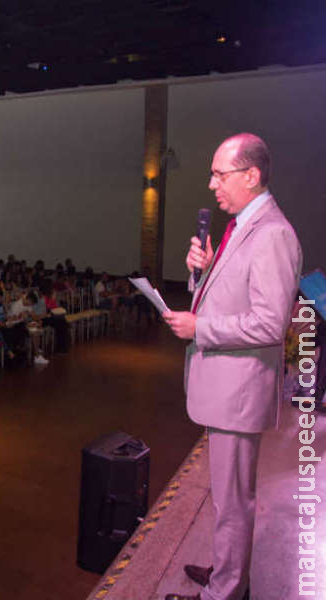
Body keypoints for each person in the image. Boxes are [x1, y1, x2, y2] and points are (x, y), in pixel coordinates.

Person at [162, 134, 301, 600]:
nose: (211, 184)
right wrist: (199, 271)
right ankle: (227, 573)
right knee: (224, 497)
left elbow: (268, 323)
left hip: (239, 392)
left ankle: (225, 593)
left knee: (233, 502)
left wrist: (199, 326)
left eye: (219, 174)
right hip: (228, 389)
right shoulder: (242, 225)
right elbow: (230, 292)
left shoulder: (273, 234)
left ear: (251, 176)